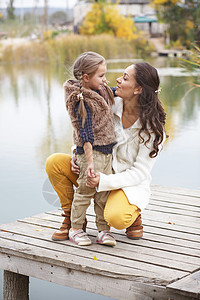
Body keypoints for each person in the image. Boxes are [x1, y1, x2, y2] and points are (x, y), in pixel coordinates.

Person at [46, 61, 167, 244]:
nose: (117, 80)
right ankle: (73, 218)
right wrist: (76, 155)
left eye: (125, 78)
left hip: (122, 183)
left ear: (138, 90)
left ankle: (133, 215)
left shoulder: (153, 129)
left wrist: (103, 181)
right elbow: (84, 130)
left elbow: (140, 173)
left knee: (116, 218)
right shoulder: (106, 103)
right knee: (54, 163)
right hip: (96, 167)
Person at [60, 51, 117, 246]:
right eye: (101, 76)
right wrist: (90, 162)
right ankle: (75, 229)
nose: (105, 79)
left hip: (107, 151)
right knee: (85, 191)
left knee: (103, 192)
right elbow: (85, 134)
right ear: (86, 77)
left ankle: (103, 229)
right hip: (91, 153)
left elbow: (113, 91)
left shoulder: (99, 90)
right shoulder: (81, 100)